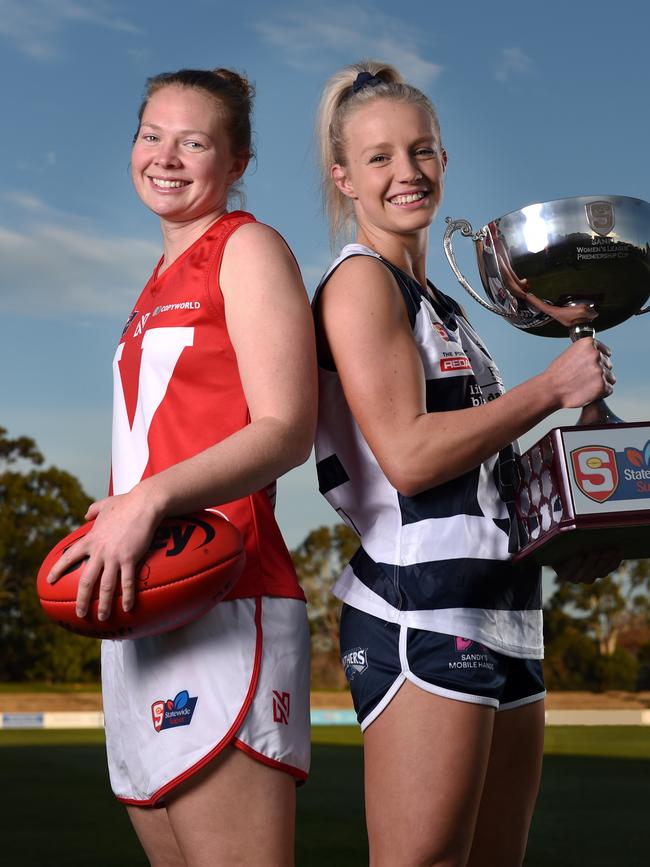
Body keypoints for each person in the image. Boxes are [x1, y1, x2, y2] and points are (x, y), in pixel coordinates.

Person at [313, 60, 619, 867]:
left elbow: (483, 477)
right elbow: (410, 459)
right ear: (344, 177)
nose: (406, 172)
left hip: (505, 604)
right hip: (423, 605)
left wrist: (568, 523)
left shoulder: (446, 309)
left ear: (444, 161)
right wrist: (552, 387)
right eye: (378, 158)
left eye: (422, 151)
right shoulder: (359, 285)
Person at [48, 68, 317, 867]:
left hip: (227, 592)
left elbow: (286, 428)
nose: (165, 156)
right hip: (144, 605)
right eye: (151, 134)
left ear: (235, 163)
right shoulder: (156, 281)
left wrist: (151, 499)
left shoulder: (249, 248)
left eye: (194, 141)